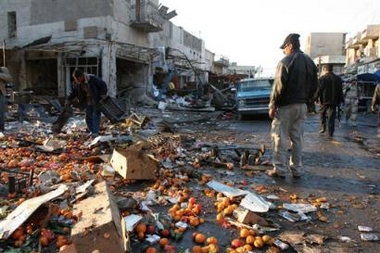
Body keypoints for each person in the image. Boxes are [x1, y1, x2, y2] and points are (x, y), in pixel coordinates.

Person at [267, 33, 318, 178]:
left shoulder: (285, 61)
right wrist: (309, 102)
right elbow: (315, 86)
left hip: (286, 106)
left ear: (290, 45)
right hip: (302, 106)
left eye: (284, 48)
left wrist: (273, 105)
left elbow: (278, 87)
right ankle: (297, 169)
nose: (284, 51)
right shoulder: (310, 62)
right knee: (297, 139)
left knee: (280, 137)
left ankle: (280, 170)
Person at [66, 69, 107, 137]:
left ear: (81, 77)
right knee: (88, 116)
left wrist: (103, 94)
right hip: (88, 101)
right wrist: (68, 99)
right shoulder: (77, 83)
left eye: (77, 78)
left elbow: (103, 85)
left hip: (96, 99)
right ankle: (92, 131)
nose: (76, 80)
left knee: (95, 115)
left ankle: (95, 132)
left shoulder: (92, 78)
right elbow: (75, 92)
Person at [314, 64, 344, 137]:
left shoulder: (322, 78)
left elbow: (319, 90)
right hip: (334, 100)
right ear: (332, 69)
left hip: (324, 100)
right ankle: (330, 132)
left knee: (322, 114)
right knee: (331, 116)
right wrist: (341, 99)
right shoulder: (338, 78)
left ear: (325, 69)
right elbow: (340, 90)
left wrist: (315, 98)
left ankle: (323, 128)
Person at [0, 67, 13, 132]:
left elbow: (9, 78)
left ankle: (1, 131)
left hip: (0, 94)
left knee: (0, 113)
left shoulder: (2, 69)